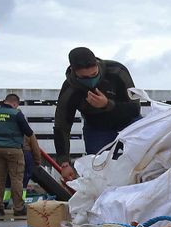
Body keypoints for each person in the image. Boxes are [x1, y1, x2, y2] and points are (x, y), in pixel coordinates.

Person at [53, 47, 140, 175]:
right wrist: (64, 162)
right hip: (97, 128)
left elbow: (135, 108)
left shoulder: (117, 71)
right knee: (98, 169)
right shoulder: (69, 90)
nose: (91, 80)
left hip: (128, 121)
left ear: (97, 66)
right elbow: (62, 126)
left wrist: (107, 104)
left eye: (94, 75)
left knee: (144, 154)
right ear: (74, 71)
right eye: (84, 77)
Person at [0, 93, 40, 218]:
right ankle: (18, 208)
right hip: (14, 150)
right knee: (16, 179)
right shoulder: (16, 114)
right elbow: (28, 132)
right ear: (15, 103)